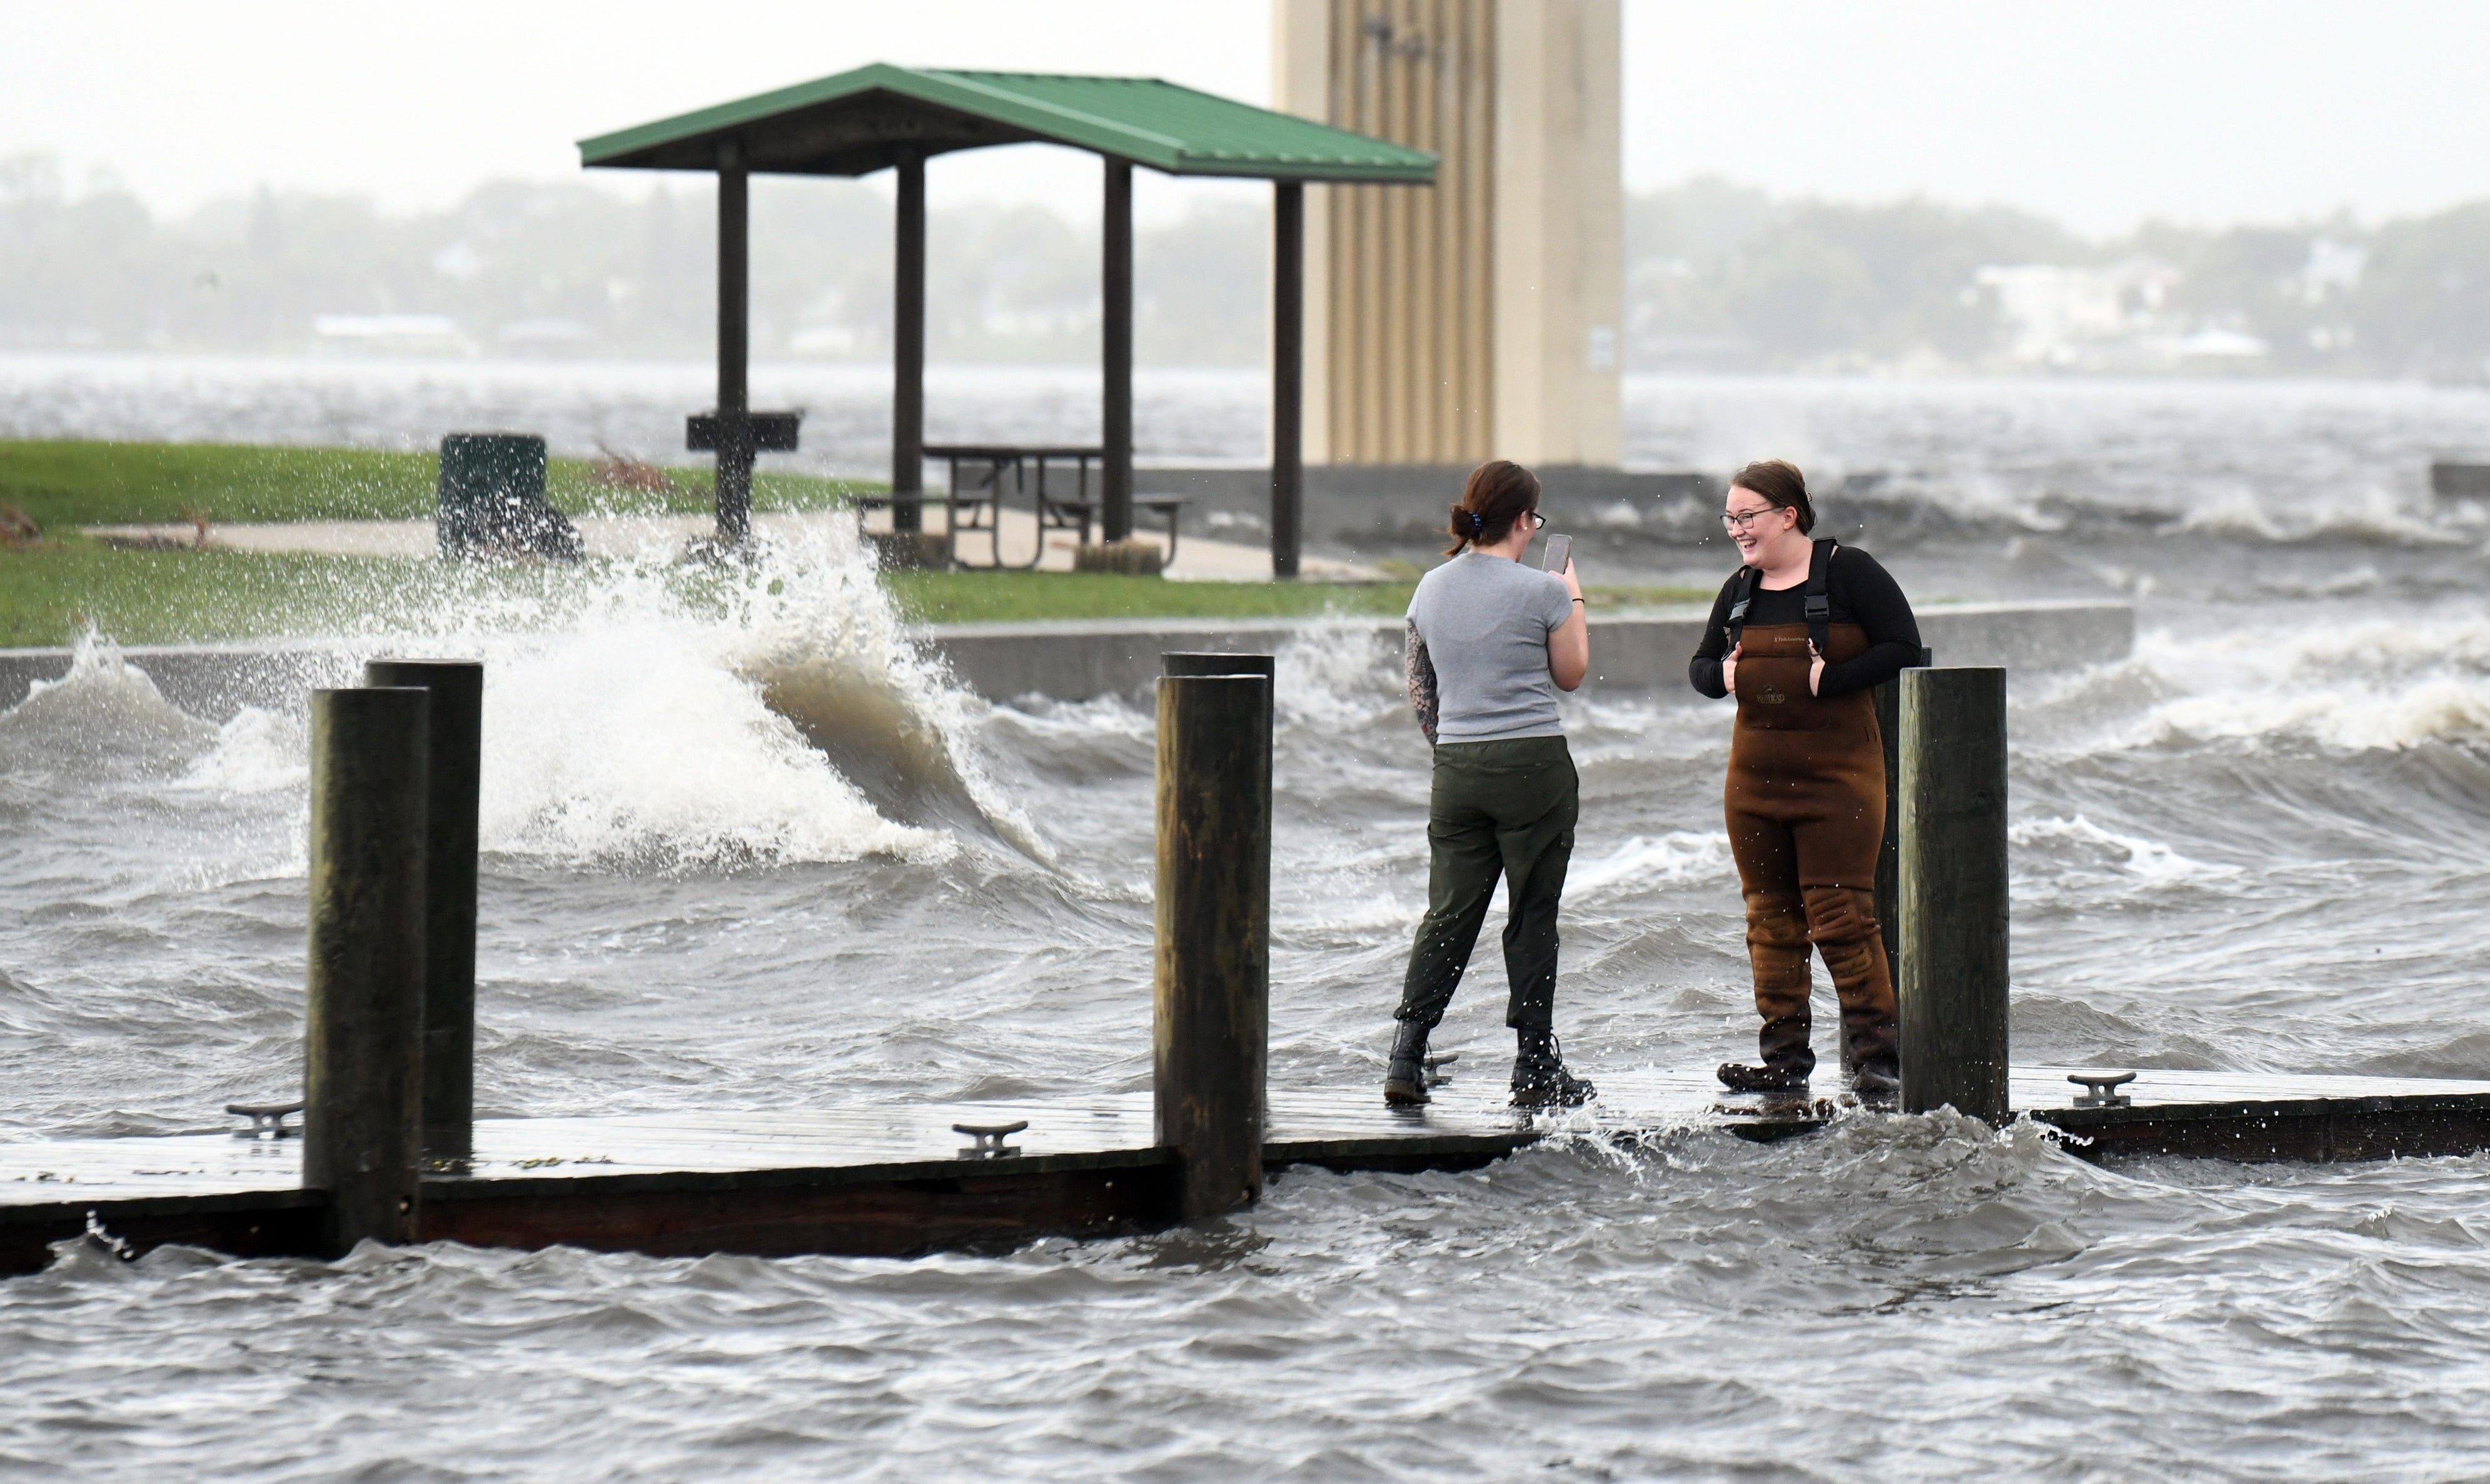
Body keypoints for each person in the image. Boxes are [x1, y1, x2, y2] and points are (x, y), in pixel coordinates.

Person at [1688, 459, 1922, 1103]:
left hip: (1839, 779)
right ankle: (1784, 1060)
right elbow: (1700, 665)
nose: (1736, 529)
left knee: (1841, 915)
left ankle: (1879, 1058)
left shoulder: (1850, 571)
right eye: (1729, 518)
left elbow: (1903, 646)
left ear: (1788, 515)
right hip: (1753, 783)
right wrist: (1723, 679)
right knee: (1770, 919)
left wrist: (1833, 678)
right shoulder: (1739, 588)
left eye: (1747, 516)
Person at [1385, 459, 1596, 1110]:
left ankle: (1407, 1053)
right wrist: (1574, 594)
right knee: (1532, 912)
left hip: (1457, 766)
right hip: (1532, 764)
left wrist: (1455, 750)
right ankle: (1534, 1064)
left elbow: (1421, 692)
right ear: (1524, 522)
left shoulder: (1429, 588)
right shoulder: (1543, 592)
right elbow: (1572, 673)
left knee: (1449, 912)